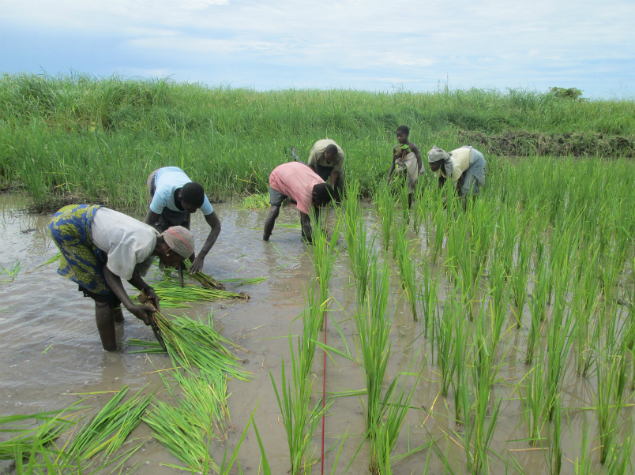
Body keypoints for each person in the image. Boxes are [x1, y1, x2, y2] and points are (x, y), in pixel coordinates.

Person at [49, 204, 195, 351]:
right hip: (68, 226)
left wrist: (147, 288)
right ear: (169, 251)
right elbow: (110, 272)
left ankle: (119, 325)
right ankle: (111, 353)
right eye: (179, 261)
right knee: (103, 295)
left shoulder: (152, 240)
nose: (177, 265)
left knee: (114, 291)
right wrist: (130, 306)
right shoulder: (141, 245)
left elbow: (127, 270)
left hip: (80, 214)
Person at [145, 166, 221, 273]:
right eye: (191, 208)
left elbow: (216, 226)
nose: (194, 211)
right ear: (180, 198)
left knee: (183, 232)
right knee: (162, 228)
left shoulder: (198, 198)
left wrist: (201, 256)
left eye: (197, 208)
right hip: (157, 177)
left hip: (177, 174)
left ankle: (188, 266)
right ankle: (166, 266)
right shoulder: (162, 194)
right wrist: (170, 246)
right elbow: (149, 223)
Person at [263, 162, 335, 243]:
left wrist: (319, 229)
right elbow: (305, 223)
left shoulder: (322, 186)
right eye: (322, 203)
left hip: (294, 172)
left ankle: (304, 238)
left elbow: (317, 209)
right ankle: (265, 239)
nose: (323, 206)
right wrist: (314, 243)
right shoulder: (305, 194)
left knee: (313, 207)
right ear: (314, 195)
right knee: (274, 210)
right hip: (278, 177)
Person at [387, 125, 423, 208]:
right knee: (397, 190)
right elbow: (393, 163)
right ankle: (399, 208)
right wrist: (389, 175)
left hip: (410, 173)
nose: (399, 138)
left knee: (409, 192)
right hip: (400, 174)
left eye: (401, 136)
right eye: (397, 136)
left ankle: (408, 210)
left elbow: (419, 161)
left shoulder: (412, 147)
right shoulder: (396, 148)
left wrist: (416, 174)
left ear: (407, 135)